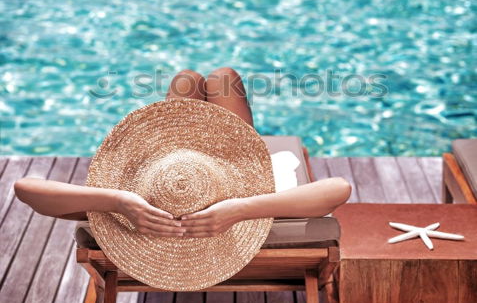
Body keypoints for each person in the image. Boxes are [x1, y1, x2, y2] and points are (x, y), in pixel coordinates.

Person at [14, 67, 351, 239]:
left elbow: (26, 187)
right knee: (223, 78)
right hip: (229, 172)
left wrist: (118, 201)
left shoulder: (140, 208)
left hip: (173, 164)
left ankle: (189, 122)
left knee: (188, 80)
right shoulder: (250, 203)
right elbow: (338, 189)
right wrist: (239, 209)